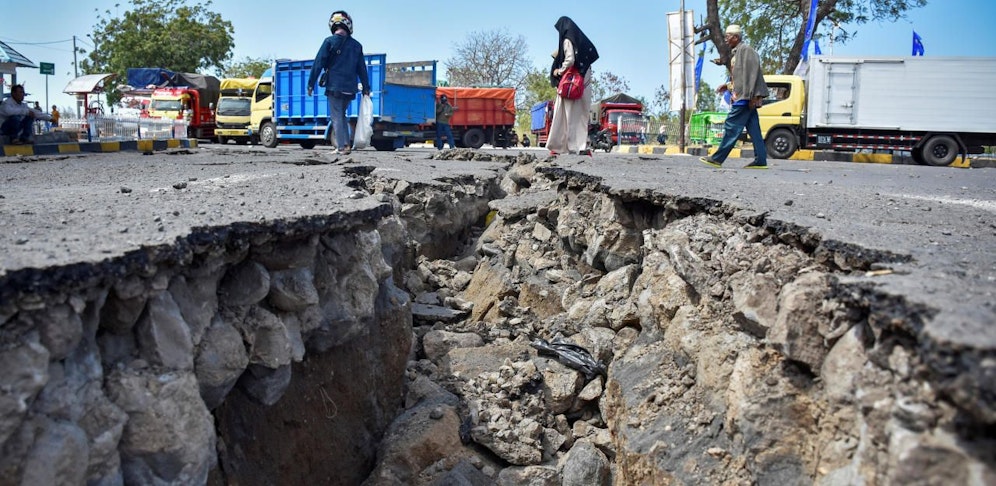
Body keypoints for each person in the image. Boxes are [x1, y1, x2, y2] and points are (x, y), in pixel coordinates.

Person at [700, 24, 770, 169]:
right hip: (744, 96)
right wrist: (728, 86)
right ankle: (761, 160)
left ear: (736, 37)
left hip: (744, 98)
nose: (726, 39)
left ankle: (717, 158)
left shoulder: (746, 51)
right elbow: (740, 77)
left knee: (731, 125)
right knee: (754, 130)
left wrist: (752, 96)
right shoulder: (737, 52)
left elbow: (753, 74)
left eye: (728, 36)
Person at [307, 10, 370, 156]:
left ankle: (341, 147)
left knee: (336, 116)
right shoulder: (357, 46)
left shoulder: (329, 41)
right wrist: (366, 88)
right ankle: (346, 145)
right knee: (342, 115)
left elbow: (318, 63)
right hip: (350, 88)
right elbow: (362, 68)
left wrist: (311, 83)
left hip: (334, 86)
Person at [547, 16, 599, 155]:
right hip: (582, 84)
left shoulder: (567, 40)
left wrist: (560, 71)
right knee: (579, 116)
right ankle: (580, 147)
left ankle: (557, 147)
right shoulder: (580, 42)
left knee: (563, 115)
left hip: (569, 84)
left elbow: (570, 59)